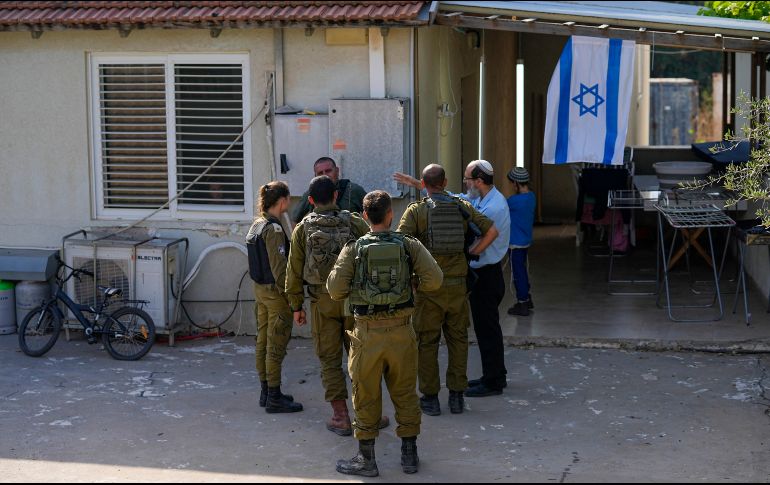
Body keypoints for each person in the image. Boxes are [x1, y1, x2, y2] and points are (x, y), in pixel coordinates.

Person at [327, 190, 443, 477]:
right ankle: (409, 455)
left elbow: (335, 290)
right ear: (391, 214)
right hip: (402, 332)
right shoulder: (409, 245)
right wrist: (411, 285)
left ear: (365, 216)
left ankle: (366, 459)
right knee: (405, 393)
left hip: (366, 335)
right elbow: (435, 279)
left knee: (365, 395)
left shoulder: (354, 248)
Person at [285, 175, 388, 436]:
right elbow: (374, 251)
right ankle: (371, 414)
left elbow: (293, 270)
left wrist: (296, 306)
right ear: (335, 196)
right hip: (354, 300)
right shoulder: (354, 221)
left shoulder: (303, 228)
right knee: (361, 357)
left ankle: (340, 417)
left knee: (329, 360)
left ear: (310, 200)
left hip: (322, 301)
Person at [396, 164, 499, 416]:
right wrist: (471, 253)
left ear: (423, 183)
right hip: (457, 289)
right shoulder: (462, 206)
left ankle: (430, 398)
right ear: (445, 182)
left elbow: (400, 245)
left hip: (428, 289)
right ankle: (456, 397)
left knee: (427, 343)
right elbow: (492, 231)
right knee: (458, 341)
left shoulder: (416, 211)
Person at [245, 181, 303, 414]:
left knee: (263, 342)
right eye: (288, 198)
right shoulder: (274, 229)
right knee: (275, 345)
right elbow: (280, 271)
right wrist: (293, 300)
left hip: (260, 291)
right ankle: (274, 397)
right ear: (282, 201)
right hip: (275, 294)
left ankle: (266, 392)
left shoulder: (257, 224)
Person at [462, 160, 511, 398]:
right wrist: (424, 186)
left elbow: (482, 242)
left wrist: (463, 257)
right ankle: (493, 374)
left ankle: (493, 382)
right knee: (486, 329)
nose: (465, 184)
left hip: (487, 276)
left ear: (479, 181)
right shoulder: (482, 198)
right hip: (486, 273)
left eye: (467, 180)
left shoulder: (494, 207)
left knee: (487, 330)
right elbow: (460, 199)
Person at [291, 157, 367, 224]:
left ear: (337, 171)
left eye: (328, 171)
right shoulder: (312, 193)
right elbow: (295, 220)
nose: (325, 175)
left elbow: (372, 215)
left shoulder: (353, 190)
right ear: (315, 176)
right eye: (320, 173)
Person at [506, 167, 536, 317]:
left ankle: (522, 302)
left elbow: (501, 208)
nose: (512, 186)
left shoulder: (514, 201)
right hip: (525, 241)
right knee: (522, 270)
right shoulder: (531, 197)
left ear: (516, 183)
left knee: (518, 273)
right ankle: (527, 298)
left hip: (515, 243)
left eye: (512, 183)